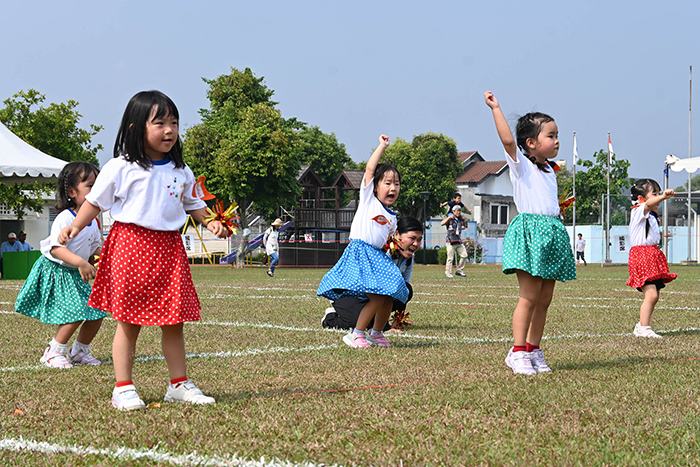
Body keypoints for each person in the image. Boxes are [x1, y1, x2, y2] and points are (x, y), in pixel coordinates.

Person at [58, 91, 229, 411]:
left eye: (174, 123)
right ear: (137, 127)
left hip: (169, 250)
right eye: (160, 123)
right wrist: (75, 227)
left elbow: (194, 205)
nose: (169, 130)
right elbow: (94, 203)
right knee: (128, 322)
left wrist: (211, 224)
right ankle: (123, 388)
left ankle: (178, 384)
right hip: (130, 247)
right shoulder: (120, 167)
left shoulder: (182, 170)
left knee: (174, 321)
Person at [485, 91, 576, 375]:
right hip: (529, 232)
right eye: (551, 135)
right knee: (529, 296)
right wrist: (496, 108)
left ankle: (534, 348)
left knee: (545, 299)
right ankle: (518, 351)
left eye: (557, 134)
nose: (557, 140)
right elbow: (508, 141)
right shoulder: (521, 166)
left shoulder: (550, 169)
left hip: (551, 233)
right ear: (532, 143)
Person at [317, 135, 408, 348]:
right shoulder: (368, 200)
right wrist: (382, 146)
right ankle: (356, 334)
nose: (393, 188)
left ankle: (376, 334)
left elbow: (389, 241)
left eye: (397, 183)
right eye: (387, 183)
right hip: (360, 253)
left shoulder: (392, 216)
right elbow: (369, 170)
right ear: (374, 186)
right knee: (376, 298)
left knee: (388, 298)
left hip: (378, 257)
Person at [15, 162, 105, 368]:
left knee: (97, 312)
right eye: (91, 186)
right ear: (72, 192)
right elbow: (56, 248)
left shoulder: (93, 221)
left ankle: (80, 351)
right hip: (57, 272)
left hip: (74, 274)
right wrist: (81, 263)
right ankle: (54, 351)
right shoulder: (65, 217)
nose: (97, 191)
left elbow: (95, 247)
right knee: (75, 312)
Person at [322, 217, 422, 331]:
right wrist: (385, 328)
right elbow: (379, 289)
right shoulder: (382, 251)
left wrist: (398, 319)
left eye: (419, 240)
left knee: (406, 289)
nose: (416, 243)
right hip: (349, 293)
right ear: (397, 234)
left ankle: (372, 318)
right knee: (359, 323)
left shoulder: (408, 260)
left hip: (371, 297)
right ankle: (330, 318)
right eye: (412, 238)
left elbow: (402, 291)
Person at [626, 179, 676, 338]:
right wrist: (663, 197)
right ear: (641, 198)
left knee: (655, 295)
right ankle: (644, 328)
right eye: (654, 194)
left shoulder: (651, 215)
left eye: (658, 193)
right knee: (651, 295)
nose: (657, 197)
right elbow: (648, 204)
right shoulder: (639, 210)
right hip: (642, 256)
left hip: (653, 255)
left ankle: (641, 325)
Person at [441, 205, 468, 278]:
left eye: (460, 210)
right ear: (453, 211)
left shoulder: (460, 219)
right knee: (450, 258)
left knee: (464, 255)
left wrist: (465, 220)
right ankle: (448, 272)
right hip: (450, 241)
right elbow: (442, 223)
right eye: (457, 210)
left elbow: (466, 226)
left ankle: (459, 270)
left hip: (458, 240)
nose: (459, 212)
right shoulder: (450, 219)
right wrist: (449, 217)